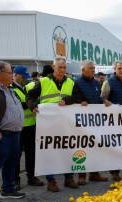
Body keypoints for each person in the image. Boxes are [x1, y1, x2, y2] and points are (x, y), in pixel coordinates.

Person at [27, 57, 83, 191]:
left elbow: (78, 97)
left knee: (67, 150)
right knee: (49, 151)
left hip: (65, 124)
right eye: (60, 67)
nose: (62, 70)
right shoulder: (43, 82)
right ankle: (51, 180)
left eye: (64, 68)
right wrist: (33, 106)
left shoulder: (71, 82)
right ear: (53, 67)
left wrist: (67, 100)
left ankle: (68, 178)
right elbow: (29, 96)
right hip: (48, 124)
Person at [0, 61, 25, 202]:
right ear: (0, 73)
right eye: (10, 72)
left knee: (11, 163)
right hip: (0, 134)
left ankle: (8, 189)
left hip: (14, 134)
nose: (12, 75)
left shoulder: (8, 88)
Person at [73, 61, 109, 184]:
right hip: (83, 121)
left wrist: (103, 101)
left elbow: (98, 98)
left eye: (94, 68)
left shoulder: (97, 83)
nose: (93, 70)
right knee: (83, 147)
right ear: (83, 70)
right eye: (90, 68)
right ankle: (82, 175)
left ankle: (94, 173)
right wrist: (80, 101)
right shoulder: (77, 82)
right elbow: (74, 98)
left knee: (95, 147)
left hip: (96, 120)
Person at [11, 66, 44, 190]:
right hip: (19, 128)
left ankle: (31, 177)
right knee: (16, 155)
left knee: (31, 154)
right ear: (16, 75)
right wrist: (34, 103)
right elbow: (22, 104)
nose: (25, 78)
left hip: (30, 126)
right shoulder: (11, 89)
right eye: (23, 76)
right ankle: (15, 180)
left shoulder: (24, 89)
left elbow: (30, 101)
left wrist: (33, 102)